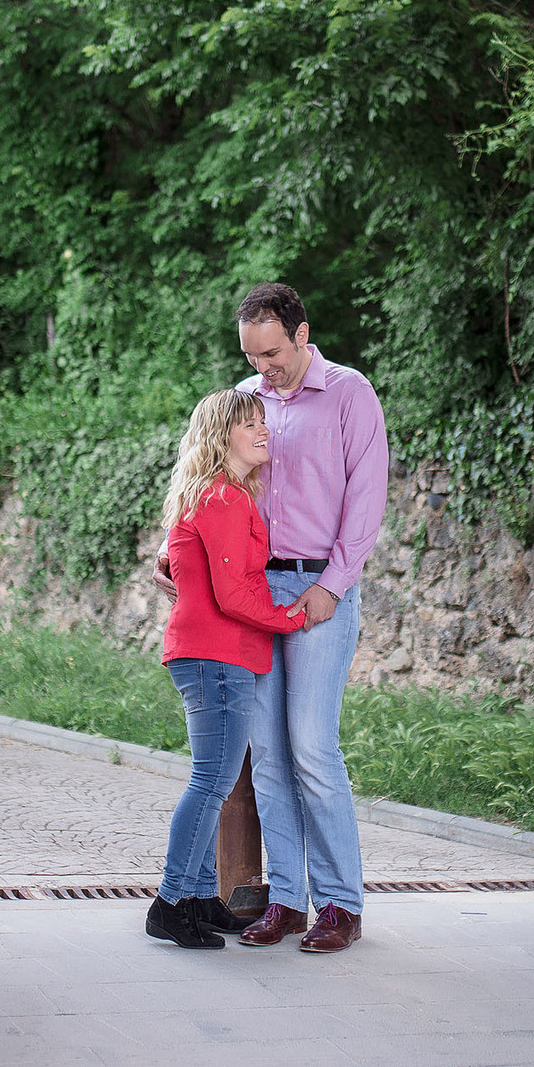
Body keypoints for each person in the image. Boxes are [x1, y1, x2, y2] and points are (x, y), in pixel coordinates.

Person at [211, 281, 389, 954]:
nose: (265, 368)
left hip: (320, 587)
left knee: (312, 747)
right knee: (270, 757)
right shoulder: (244, 400)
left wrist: (333, 586)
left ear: (302, 334)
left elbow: (366, 504)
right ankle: (286, 900)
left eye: (274, 354)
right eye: (254, 357)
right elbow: (213, 486)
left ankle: (341, 903)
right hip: (253, 593)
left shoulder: (349, 393)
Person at [148, 389, 309, 949]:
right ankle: (171, 902)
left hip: (216, 654)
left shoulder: (219, 495)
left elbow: (193, 564)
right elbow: (232, 593)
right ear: (222, 437)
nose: (263, 429)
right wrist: (291, 616)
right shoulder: (220, 497)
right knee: (212, 779)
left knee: (212, 777)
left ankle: (196, 897)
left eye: (264, 419)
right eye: (249, 423)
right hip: (214, 654)